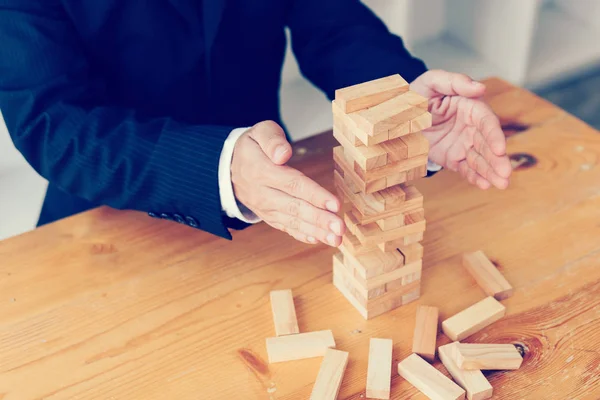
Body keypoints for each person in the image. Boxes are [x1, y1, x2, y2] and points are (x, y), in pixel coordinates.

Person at [0, 1, 511, 248]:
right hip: (105, 219)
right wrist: (220, 169)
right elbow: (52, 121)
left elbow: (331, 21)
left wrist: (398, 103)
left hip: (279, 204)